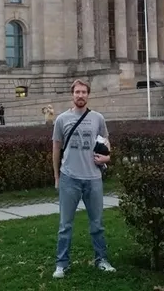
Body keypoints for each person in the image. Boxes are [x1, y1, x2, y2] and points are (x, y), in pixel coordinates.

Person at [51, 79, 115, 278]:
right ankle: (62, 264)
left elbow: (106, 143)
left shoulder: (98, 118)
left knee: (97, 224)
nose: (80, 95)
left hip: (93, 178)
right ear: (72, 94)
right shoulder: (61, 119)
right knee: (65, 225)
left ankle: (101, 260)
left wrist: (108, 157)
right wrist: (56, 176)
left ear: (88, 94)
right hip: (69, 178)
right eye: (77, 92)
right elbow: (56, 149)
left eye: (84, 92)